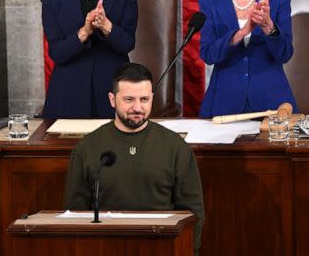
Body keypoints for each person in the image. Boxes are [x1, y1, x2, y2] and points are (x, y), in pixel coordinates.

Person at [64, 63, 205, 255]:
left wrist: (188, 251)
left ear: (152, 99)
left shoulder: (176, 147)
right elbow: (74, 214)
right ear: (112, 100)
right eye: (129, 99)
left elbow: (193, 214)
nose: (137, 107)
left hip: (163, 248)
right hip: (104, 248)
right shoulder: (86, 148)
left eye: (144, 99)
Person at [41, 0, 138, 119]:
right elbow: (57, 53)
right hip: (67, 96)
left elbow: (127, 43)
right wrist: (84, 32)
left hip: (112, 92)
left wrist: (106, 25)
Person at [198, 0, 298, 118]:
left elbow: (284, 54)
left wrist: (268, 26)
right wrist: (242, 32)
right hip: (224, 102)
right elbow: (208, 54)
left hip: (272, 102)